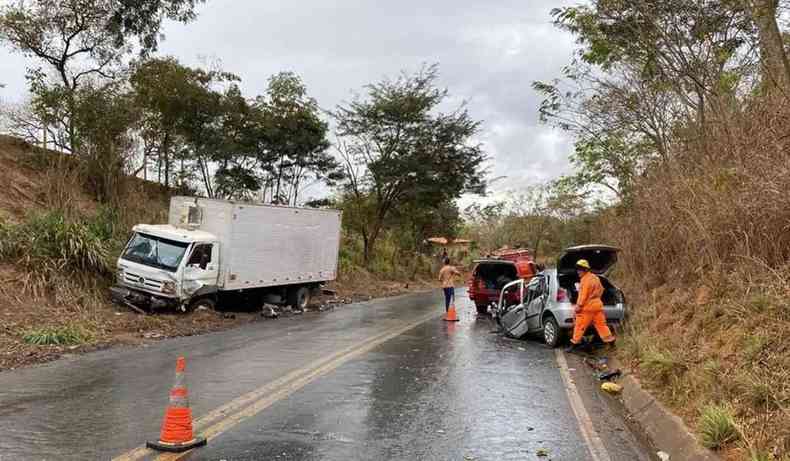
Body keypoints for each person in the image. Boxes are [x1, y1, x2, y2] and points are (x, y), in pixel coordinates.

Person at [565, 259, 616, 353]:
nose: (578, 272)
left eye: (579, 270)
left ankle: (573, 345)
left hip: (587, 308)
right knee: (602, 325)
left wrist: (578, 307)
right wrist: (595, 298)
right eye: (577, 270)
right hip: (597, 306)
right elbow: (601, 290)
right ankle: (611, 342)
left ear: (584, 270)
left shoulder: (584, 280)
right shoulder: (595, 278)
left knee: (579, 326)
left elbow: (582, 295)